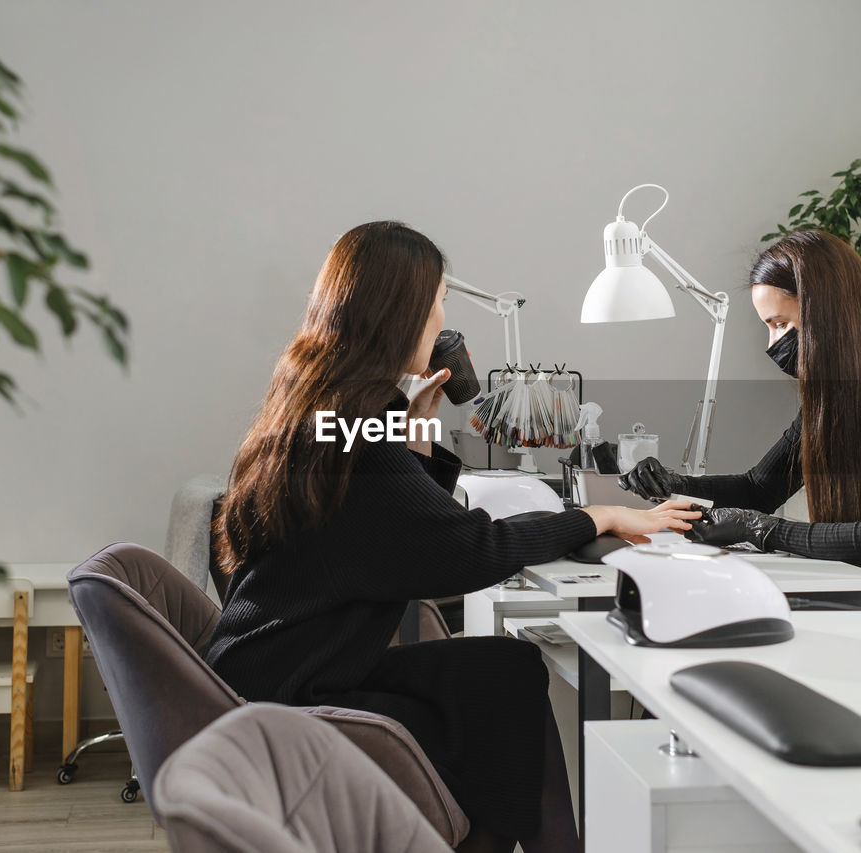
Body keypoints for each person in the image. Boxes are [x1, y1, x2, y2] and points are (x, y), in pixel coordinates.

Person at [203, 221, 700, 852]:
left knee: (502, 671)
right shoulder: (353, 428)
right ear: (403, 312)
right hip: (294, 701)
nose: (443, 323)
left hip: (272, 673)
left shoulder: (326, 407)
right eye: (439, 302)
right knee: (497, 701)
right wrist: (595, 518)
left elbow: (412, 534)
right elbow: (467, 552)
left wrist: (417, 442)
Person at [619, 230, 861, 610]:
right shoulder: (832, 397)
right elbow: (759, 489)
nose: (772, 345)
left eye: (780, 324)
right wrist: (673, 484)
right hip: (856, 597)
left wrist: (761, 529)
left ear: (827, 312)